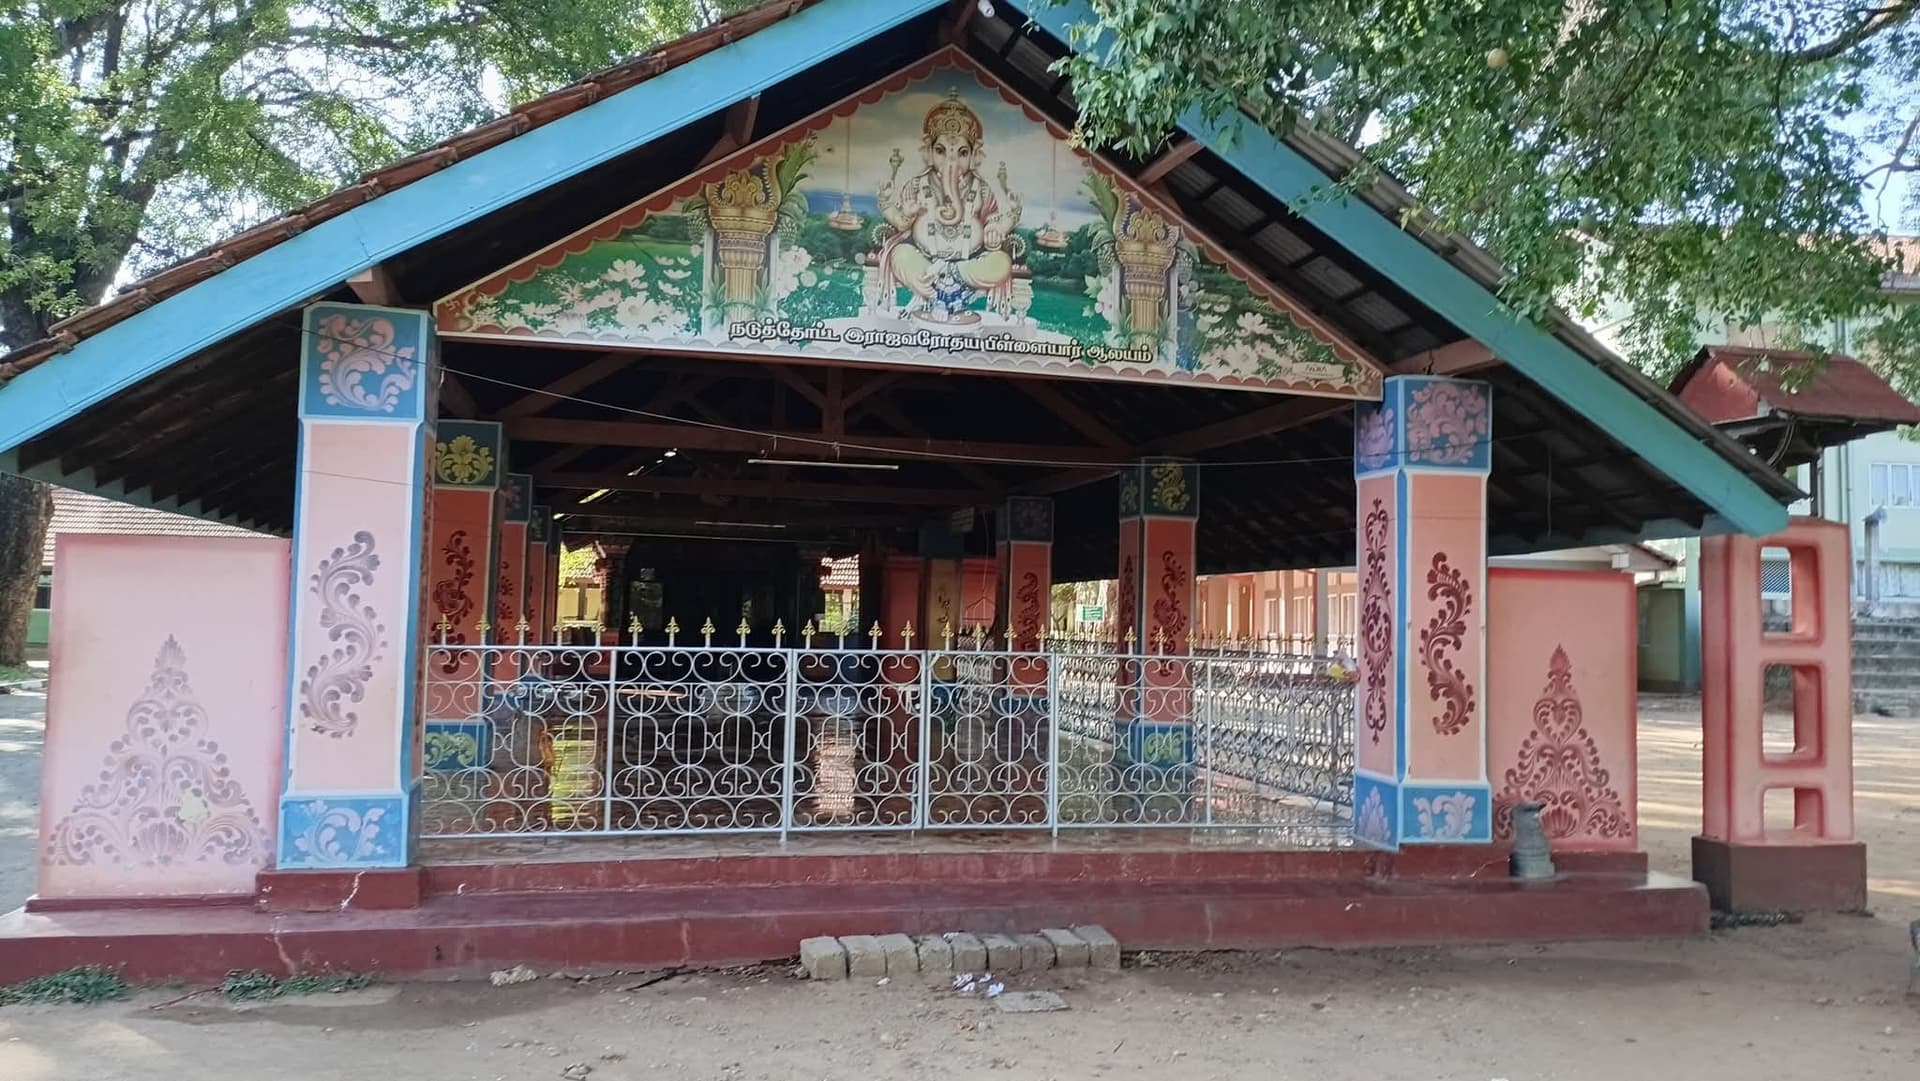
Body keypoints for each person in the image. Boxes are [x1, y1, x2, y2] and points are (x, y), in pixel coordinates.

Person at [874, 89, 1022, 322]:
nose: (951, 161)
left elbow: (993, 221)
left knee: (1001, 263)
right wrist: (896, 209)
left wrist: (997, 230)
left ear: (975, 157)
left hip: (967, 265)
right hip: (924, 260)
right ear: (928, 154)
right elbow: (901, 223)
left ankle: (951, 282)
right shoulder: (916, 186)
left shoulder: (981, 189)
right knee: (900, 255)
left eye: (962, 153)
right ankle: (932, 294)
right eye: (941, 151)